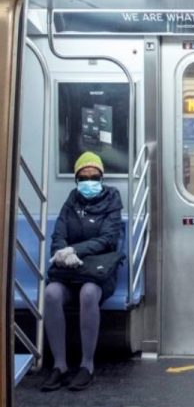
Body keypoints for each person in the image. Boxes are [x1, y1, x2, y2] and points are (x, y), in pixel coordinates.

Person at [40, 151, 123, 391]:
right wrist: (61, 254)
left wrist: (74, 250)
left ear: (101, 177)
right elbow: (58, 234)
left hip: (98, 273)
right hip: (69, 272)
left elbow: (108, 239)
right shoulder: (71, 202)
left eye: (94, 176)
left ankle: (87, 365)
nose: (89, 182)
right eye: (84, 177)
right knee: (52, 294)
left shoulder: (112, 200)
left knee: (88, 294)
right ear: (77, 180)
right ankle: (60, 365)